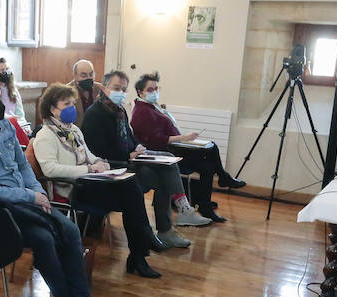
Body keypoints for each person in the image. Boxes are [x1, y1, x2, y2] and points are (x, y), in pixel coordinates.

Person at [0, 71, 120, 297]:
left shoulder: (4, 126)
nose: (1, 102)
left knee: (70, 230)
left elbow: (24, 165)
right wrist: (30, 195)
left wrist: (36, 192)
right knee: (44, 238)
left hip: (26, 200)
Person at [32, 84, 162, 279]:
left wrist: (100, 163)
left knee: (130, 189)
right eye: (66, 104)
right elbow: (50, 169)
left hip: (89, 182)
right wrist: (88, 169)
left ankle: (139, 253)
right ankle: (140, 251)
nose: (72, 108)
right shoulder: (45, 136)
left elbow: (89, 155)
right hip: (72, 189)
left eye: (73, 103)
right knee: (131, 194)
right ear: (52, 108)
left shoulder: (74, 129)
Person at [82, 70, 193, 248]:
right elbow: (97, 150)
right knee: (162, 178)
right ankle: (169, 223)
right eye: (117, 88)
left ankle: (168, 226)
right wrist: (128, 155)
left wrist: (137, 147)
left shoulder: (119, 111)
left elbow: (129, 137)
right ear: (104, 88)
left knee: (168, 162)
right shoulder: (94, 114)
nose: (121, 92)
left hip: (131, 160)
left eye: (124, 89)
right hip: (113, 166)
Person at [129, 71, 242, 223]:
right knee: (211, 149)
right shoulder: (142, 111)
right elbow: (156, 141)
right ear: (140, 92)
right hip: (163, 154)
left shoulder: (151, 107)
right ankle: (223, 178)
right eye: (150, 89)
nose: (155, 92)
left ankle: (206, 206)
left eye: (156, 88)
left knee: (207, 166)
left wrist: (163, 113)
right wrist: (184, 138)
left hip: (173, 148)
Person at [0, 57, 26, 122]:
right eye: (2, 70)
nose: (6, 72)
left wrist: (23, 125)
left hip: (15, 125)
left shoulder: (13, 90)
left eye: (7, 69)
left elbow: (20, 114)